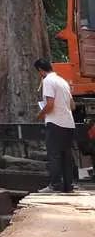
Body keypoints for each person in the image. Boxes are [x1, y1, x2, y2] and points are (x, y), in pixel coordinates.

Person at [34, 58, 76, 193]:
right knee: (66, 155)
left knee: (54, 154)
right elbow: (72, 105)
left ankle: (55, 185)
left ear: (40, 70)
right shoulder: (63, 81)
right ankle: (68, 185)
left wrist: (40, 114)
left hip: (55, 122)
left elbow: (50, 105)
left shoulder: (47, 81)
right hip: (68, 123)